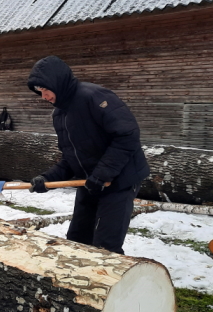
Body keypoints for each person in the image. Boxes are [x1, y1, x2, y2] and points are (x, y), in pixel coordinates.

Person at [26, 56, 150, 255]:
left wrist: (102, 174)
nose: (44, 97)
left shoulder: (94, 97)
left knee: (105, 246)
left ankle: (110, 282)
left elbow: (127, 136)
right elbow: (70, 156)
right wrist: (47, 178)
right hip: (90, 181)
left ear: (57, 83)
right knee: (77, 239)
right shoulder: (60, 114)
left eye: (45, 90)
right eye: (39, 92)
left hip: (120, 180)